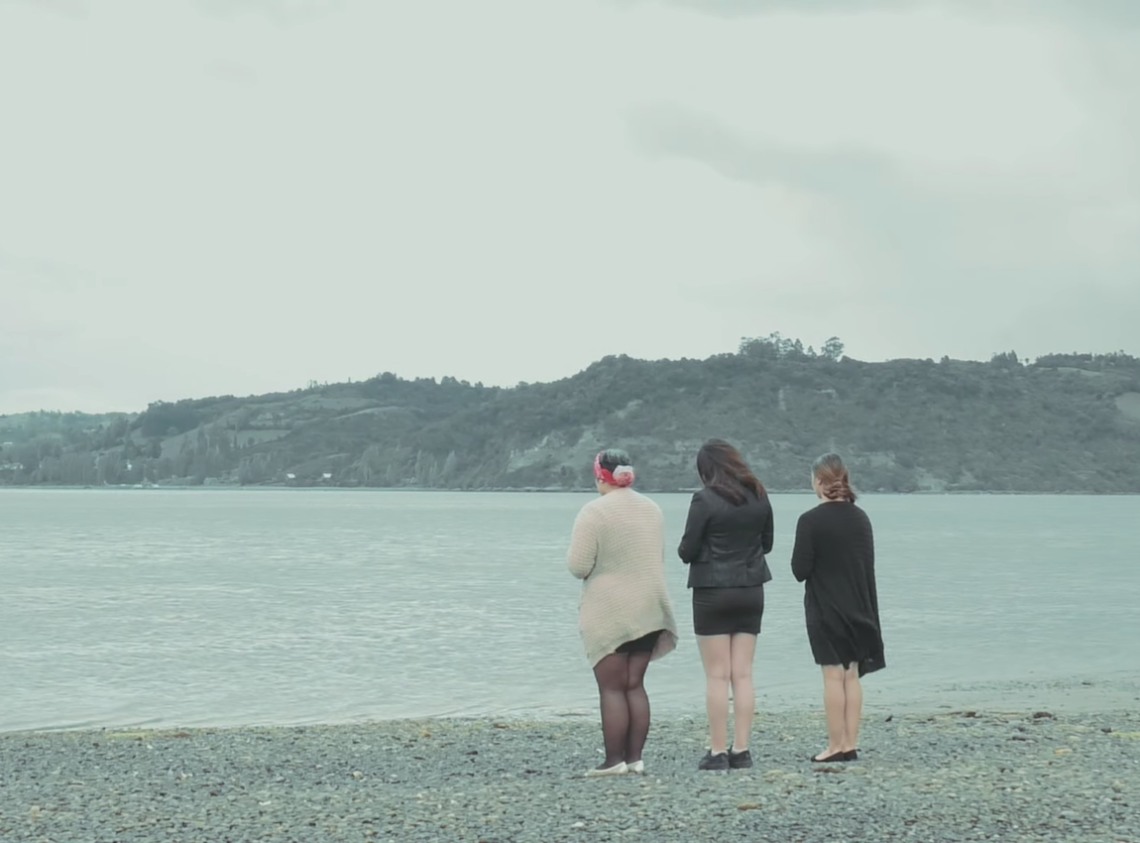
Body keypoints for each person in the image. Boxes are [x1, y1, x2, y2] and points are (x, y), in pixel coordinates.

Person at [567, 448, 679, 777]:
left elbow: (578, 565)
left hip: (611, 607)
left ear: (601, 476)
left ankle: (613, 760)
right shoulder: (653, 509)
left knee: (612, 688)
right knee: (635, 684)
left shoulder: (594, 512)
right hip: (649, 604)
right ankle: (635, 759)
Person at [677, 439, 774, 771]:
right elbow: (768, 543)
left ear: (707, 469)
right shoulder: (759, 495)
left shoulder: (704, 500)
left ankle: (717, 751)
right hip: (750, 589)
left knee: (717, 676)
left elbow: (687, 550)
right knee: (743, 674)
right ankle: (742, 750)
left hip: (712, 592)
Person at [791, 453, 885, 764]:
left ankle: (833, 745)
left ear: (818, 482)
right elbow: (866, 567)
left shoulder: (810, 520)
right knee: (851, 677)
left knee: (832, 677)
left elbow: (799, 569)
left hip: (825, 609)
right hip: (860, 607)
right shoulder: (861, 519)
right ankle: (850, 744)